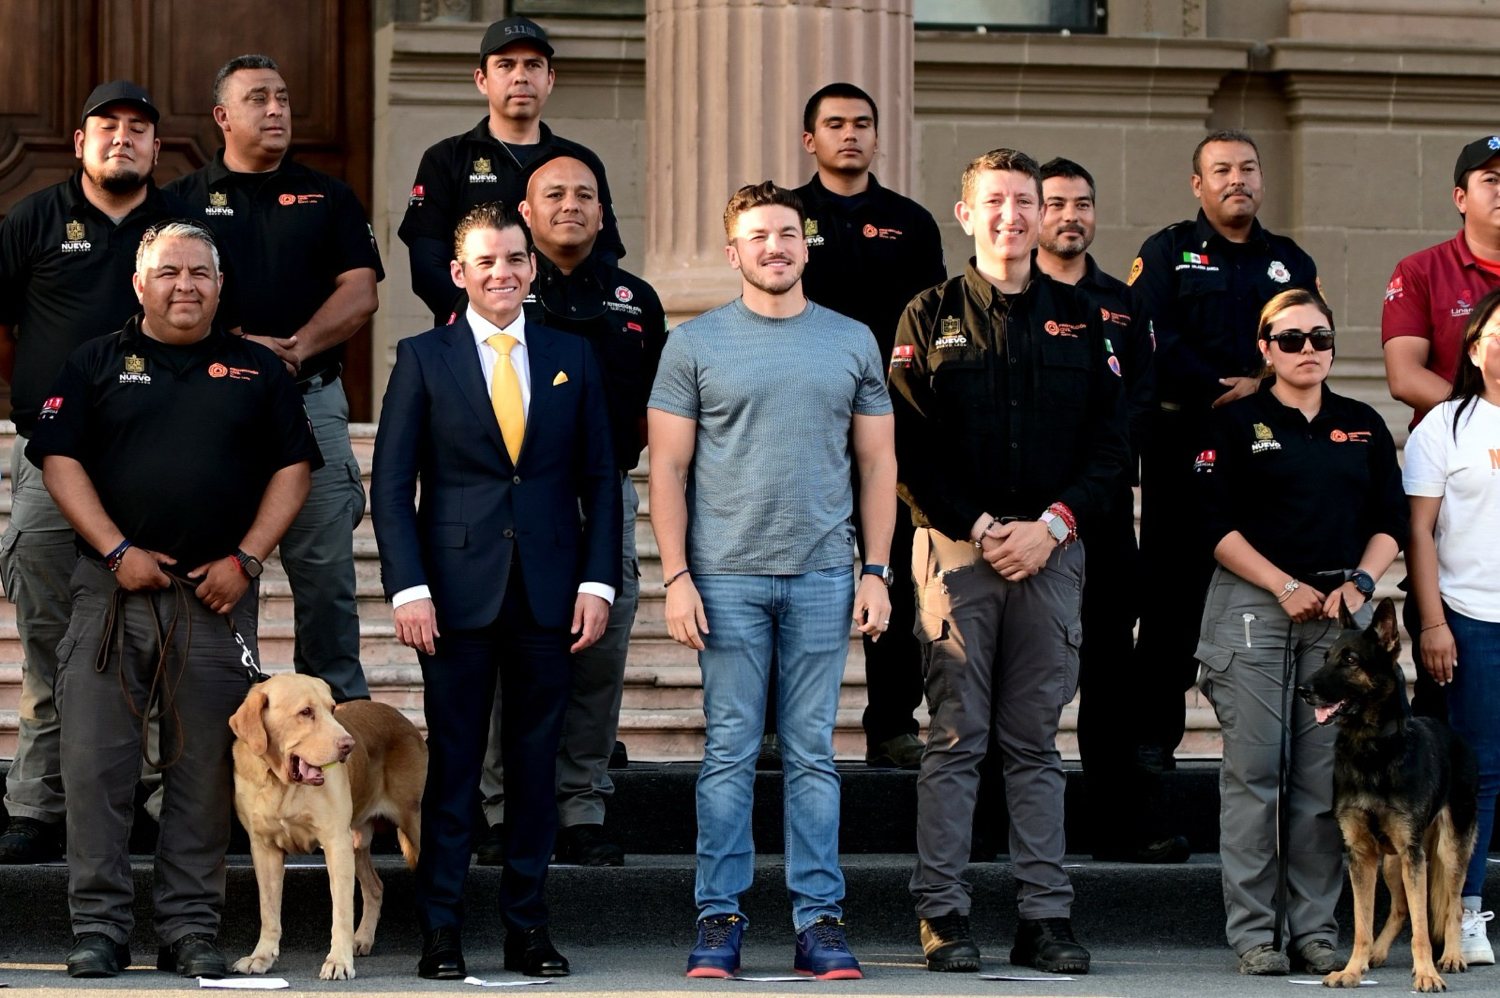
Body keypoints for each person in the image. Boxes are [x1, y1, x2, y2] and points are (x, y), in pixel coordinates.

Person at [27, 220, 317, 979]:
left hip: (215, 599)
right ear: (139, 284)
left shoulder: (259, 369)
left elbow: (293, 469)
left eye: (199, 273)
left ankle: (190, 928)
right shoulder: (94, 361)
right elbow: (59, 462)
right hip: (109, 597)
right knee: (96, 769)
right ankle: (99, 928)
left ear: (220, 287)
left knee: (204, 773)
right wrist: (116, 550)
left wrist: (247, 560)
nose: (184, 285)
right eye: (168, 272)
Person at [889, 149, 1128, 976]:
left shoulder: (1085, 318)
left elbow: (1112, 444)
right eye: (994, 201)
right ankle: (943, 914)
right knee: (956, 739)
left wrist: (1052, 526)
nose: (1011, 216)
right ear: (966, 214)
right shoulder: (928, 314)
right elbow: (905, 443)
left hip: (1051, 554)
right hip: (957, 552)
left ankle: (1045, 919)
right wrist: (981, 523)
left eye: (1025, 201)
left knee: (1034, 743)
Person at [648, 181, 895, 980]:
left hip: (824, 574)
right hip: (726, 578)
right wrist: (677, 577)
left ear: (805, 244)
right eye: (758, 237)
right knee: (729, 752)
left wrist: (876, 571)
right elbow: (668, 470)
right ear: (734, 253)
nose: (775, 247)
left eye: (787, 233)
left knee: (813, 754)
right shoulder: (694, 344)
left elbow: (878, 465)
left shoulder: (851, 339)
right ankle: (718, 917)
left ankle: (819, 921)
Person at [370, 201, 620, 980]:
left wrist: (598, 580)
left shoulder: (572, 355)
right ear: (459, 272)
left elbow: (600, 480)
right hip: (452, 598)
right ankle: (441, 930)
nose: (502, 273)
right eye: (486, 261)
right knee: (452, 767)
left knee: (535, 767)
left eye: (514, 259)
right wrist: (408, 588)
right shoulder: (423, 357)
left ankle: (528, 929)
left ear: (531, 266)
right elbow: (391, 485)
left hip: (551, 593)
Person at [0, 80, 202, 864]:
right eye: (108, 125)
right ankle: (37, 804)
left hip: (160, 467)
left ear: (158, 146)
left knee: (158, 643)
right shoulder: (35, 219)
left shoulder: (182, 226)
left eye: (139, 127)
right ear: (81, 142)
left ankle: (143, 800)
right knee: (50, 642)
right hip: (54, 462)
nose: (124, 137)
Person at [1193, 288, 1405, 976]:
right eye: (1291, 339)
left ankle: (1315, 930)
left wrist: (1362, 584)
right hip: (1254, 605)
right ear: (1266, 349)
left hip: (1338, 614)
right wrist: (1282, 585)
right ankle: (1255, 934)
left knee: (1322, 781)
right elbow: (1211, 523)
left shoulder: (1362, 423)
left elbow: (1390, 520)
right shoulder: (1235, 422)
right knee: (1255, 776)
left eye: (1320, 338)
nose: (1307, 350)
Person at [165, 54, 383, 704]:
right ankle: (224, 724)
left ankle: (338, 721)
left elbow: (361, 291)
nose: (276, 109)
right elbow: (162, 298)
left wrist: (295, 349)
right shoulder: (181, 202)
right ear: (222, 116)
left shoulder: (328, 195)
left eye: (283, 97)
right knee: (218, 573)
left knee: (327, 579)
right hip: (213, 411)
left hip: (311, 402)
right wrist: (238, 349)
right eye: (258, 98)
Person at [472, 154, 666, 868]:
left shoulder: (635, 299)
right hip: (509, 495)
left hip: (602, 493)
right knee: (501, 656)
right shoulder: (502, 287)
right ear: (526, 211)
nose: (571, 205)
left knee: (597, 654)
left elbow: (654, 406)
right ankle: (499, 808)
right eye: (554, 194)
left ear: (602, 211)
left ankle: (581, 805)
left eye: (586, 194)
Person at [1130, 129, 1318, 785]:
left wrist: (1259, 384)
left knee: (1271, 588)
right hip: (1182, 442)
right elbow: (1151, 335)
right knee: (1170, 600)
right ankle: (1151, 748)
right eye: (1221, 170)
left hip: (1267, 453)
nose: (1236, 179)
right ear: (1198, 184)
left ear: (1261, 179)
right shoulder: (1166, 251)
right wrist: (1224, 387)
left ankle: (1281, 749)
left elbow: (1309, 338)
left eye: (1247, 168)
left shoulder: (1290, 260)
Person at [792, 82, 945, 771]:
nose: (849, 133)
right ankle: (782, 725)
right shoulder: (788, 214)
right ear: (810, 140)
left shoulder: (910, 222)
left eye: (861, 123)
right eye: (834, 124)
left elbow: (935, 325)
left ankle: (891, 725)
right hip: (805, 421)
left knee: (897, 577)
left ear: (878, 138)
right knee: (797, 575)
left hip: (892, 422)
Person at [1032, 157, 1178, 862]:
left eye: (1082, 203)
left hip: (1106, 519)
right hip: (1026, 523)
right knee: (1018, 681)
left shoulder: (1125, 304)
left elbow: (1138, 407)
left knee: (1112, 679)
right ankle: (1001, 828)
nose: (1071, 216)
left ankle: (1116, 826)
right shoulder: (1013, 297)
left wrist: (1087, 489)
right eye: (1056, 203)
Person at [398, 16, 624, 326]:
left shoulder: (580, 162)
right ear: (482, 80)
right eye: (505, 65)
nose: (521, 77)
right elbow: (428, 266)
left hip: (568, 332)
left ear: (550, 79)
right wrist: (485, 319)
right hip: (476, 334)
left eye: (533, 65)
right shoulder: (446, 159)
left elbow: (605, 256)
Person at [1382, 134, 1500, 724]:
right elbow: (1405, 376)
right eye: (1491, 180)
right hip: (1457, 484)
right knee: (1454, 729)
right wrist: (1487, 414)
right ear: (1460, 196)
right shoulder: (1422, 270)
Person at [1401, 285, 1500, 967]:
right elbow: (1420, 531)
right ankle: (1463, 910)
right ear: (1474, 346)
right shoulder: (1446, 424)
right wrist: (1433, 622)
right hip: (1473, 616)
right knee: (1480, 770)